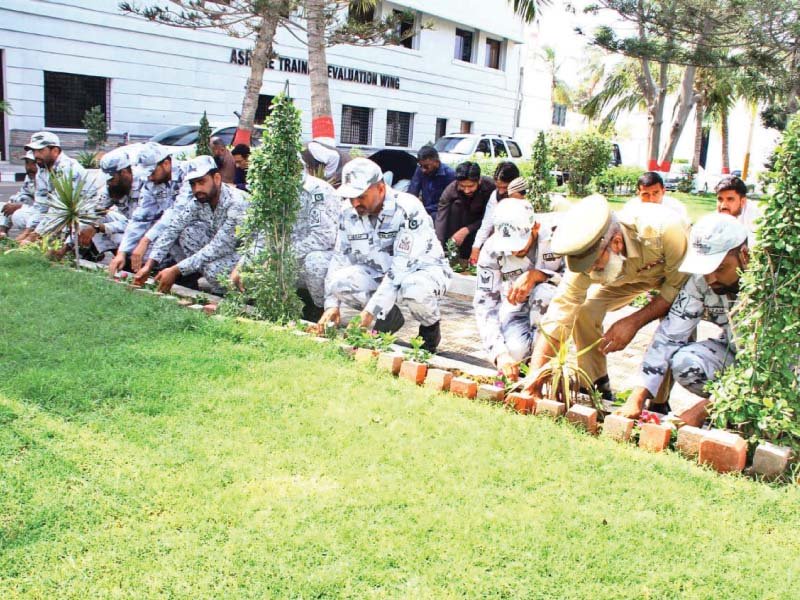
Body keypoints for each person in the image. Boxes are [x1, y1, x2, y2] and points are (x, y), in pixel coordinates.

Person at [524, 194, 689, 399]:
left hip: (673, 278)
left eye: (594, 265)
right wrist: (535, 374)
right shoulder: (587, 253)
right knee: (585, 310)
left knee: (677, 326)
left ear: (617, 242)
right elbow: (561, 310)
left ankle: (657, 402)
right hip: (626, 277)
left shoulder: (665, 230)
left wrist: (633, 322)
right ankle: (595, 384)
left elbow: (675, 288)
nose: (590, 272)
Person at [616, 213, 750, 423]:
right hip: (736, 353)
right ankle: (731, 409)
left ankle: (740, 412)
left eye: (720, 268)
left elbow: (774, 367)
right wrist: (638, 396)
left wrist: (702, 410)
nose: (711, 278)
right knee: (686, 363)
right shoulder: (701, 281)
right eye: (706, 269)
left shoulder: (774, 286)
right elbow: (670, 335)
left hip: (782, 368)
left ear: (744, 255)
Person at [317, 157, 451, 352]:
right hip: (378, 272)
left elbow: (400, 269)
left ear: (380, 188)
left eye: (361, 196)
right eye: (350, 197)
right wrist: (331, 305)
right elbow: (340, 257)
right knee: (339, 281)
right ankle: (388, 317)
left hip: (420, 271)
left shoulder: (407, 209)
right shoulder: (347, 212)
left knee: (413, 289)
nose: (355, 203)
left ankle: (429, 330)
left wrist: (369, 313)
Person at [231, 166, 341, 321]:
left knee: (315, 262)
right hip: (283, 259)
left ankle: (320, 310)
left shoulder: (318, 191)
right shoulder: (274, 190)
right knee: (254, 258)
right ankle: (265, 310)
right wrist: (243, 263)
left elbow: (323, 238)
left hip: (318, 257)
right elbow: (265, 233)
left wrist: (280, 257)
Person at [474, 199, 565, 380]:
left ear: (535, 227)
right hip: (516, 308)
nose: (514, 252)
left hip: (555, 308)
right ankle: (530, 362)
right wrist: (500, 354)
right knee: (514, 355)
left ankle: (545, 364)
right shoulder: (492, 250)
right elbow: (485, 305)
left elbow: (576, 281)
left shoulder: (559, 235)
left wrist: (539, 275)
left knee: (545, 293)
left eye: (518, 244)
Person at [134, 155, 248, 294]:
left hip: (253, 253)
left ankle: (235, 294)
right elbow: (173, 229)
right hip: (230, 250)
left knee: (211, 268)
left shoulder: (236, 202)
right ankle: (212, 281)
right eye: (193, 184)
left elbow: (220, 245)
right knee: (186, 234)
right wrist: (149, 265)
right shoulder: (199, 201)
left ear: (217, 179)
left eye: (201, 182)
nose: (197, 189)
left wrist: (176, 270)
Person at [108, 142, 190, 276]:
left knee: (178, 231)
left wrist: (146, 240)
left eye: (152, 172)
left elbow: (177, 212)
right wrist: (122, 252)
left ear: (166, 164)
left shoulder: (188, 173)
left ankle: (189, 271)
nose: (149, 177)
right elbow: (141, 217)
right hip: (171, 228)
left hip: (199, 228)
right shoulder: (151, 182)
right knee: (145, 244)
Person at [16, 131, 89, 244]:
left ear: (55, 150)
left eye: (40, 150)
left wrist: (35, 235)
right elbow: (41, 205)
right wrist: (28, 232)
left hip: (82, 215)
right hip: (57, 215)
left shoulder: (67, 168)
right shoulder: (42, 169)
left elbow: (60, 208)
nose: (36, 155)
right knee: (20, 217)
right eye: (34, 151)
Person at [78, 146, 143, 261]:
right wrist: (68, 245)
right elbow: (94, 212)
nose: (109, 183)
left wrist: (100, 227)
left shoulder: (145, 185)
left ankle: (132, 262)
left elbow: (139, 224)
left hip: (146, 230)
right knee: (88, 220)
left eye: (112, 179)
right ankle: (96, 254)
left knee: (114, 234)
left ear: (124, 173)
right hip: (128, 224)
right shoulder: (111, 187)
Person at [434, 161, 495, 259]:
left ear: (479, 181)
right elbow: (441, 219)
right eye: (462, 186)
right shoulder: (450, 191)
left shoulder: (490, 187)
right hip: (456, 228)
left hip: (481, 227)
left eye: (471, 186)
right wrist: (438, 247)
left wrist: (467, 230)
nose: (466, 190)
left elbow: (491, 218)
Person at [470, 165, 524, 264]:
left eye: (505, 187)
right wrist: (476, 247)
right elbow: (487, 223)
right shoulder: (496, 195)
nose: (501, 191)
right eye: (498, 187)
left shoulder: (524, 197)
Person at [406, 145, 456, 219]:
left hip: (442, 211)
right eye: (420, 166)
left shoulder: (450, 175)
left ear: (436, 161)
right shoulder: (420, 170)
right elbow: (412, 192)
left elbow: (448, 202)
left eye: (426, 166)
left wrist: (423, 210)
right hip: (425, 210)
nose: (423, 170)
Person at [623, 171, 689, 224]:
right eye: (645, 194)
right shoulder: (630, 208)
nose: (651, 199)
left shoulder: (676, 208)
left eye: (655, 193)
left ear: (663, 191)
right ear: (638, 194)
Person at [715, 175, 762, 246]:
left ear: (743, 201)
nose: (723, 206)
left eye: (730, 199)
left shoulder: (756, 216)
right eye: (720, 199)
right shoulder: (714, 219)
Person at [0, 151, 38, 239]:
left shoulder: (48, 178)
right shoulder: (30, 177)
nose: (29, 167)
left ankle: (32, 238)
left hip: (44, 215)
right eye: (27, 163)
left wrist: (20, 207)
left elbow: (45, 207)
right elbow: (23, 195)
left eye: (33, 163)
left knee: (19, 215)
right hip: (32, 208)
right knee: (4, 206)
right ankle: (2, 234)